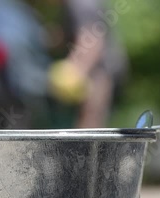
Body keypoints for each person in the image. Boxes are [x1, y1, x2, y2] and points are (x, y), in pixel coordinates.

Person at [49, 0, 128, 128]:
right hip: (96, 69)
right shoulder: (70, 6)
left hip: (101, 71)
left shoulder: (81, 4)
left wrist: (76, 69)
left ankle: (88, 148)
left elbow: (93, 40)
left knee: (90, 119)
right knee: (85, 119)